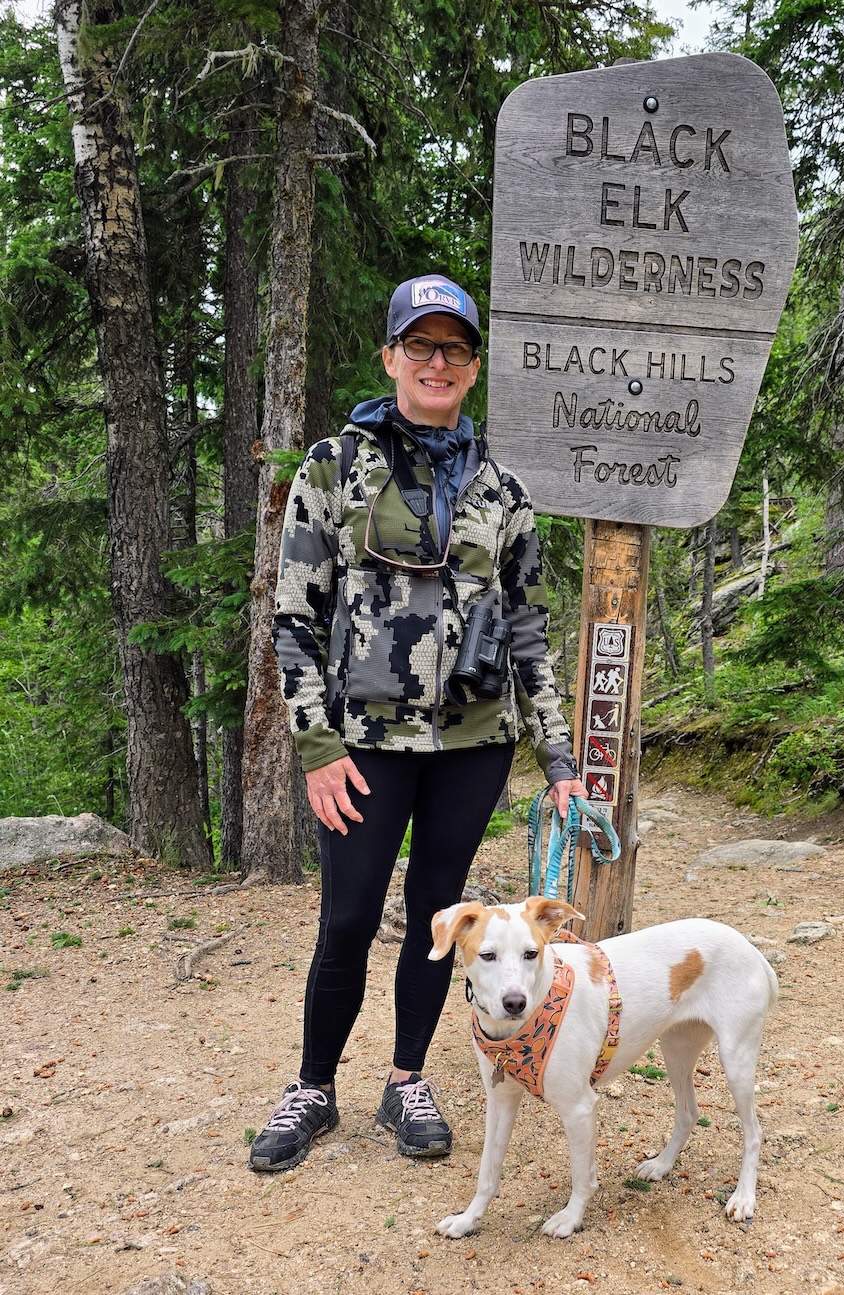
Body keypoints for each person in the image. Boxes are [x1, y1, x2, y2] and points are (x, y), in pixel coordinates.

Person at [249, 273, 584, 1173]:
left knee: (443, 917)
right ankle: (313, 1088)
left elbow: (526, 628)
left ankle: (406, 1081)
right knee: (348, 917)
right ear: (391, 357)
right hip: (363, 745)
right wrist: (317, 745)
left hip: (473, 746)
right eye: (422, 346)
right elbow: (293, 618)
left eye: (455, 349)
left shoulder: (504, 491)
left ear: (473, 367)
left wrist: (557, 755)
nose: (438, 363)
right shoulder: (334, 468)